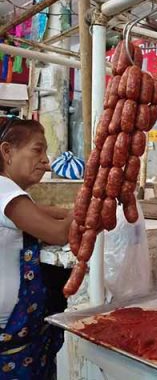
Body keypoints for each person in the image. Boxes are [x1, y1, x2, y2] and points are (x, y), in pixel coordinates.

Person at [0, 116, 72, 379]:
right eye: (37, 150)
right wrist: (93, 197)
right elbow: (58, 233)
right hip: (10, 336)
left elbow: (44, 212)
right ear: (7, 152)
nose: (46, 161)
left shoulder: (11, 196)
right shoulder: (5, 191)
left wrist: (67, 213)